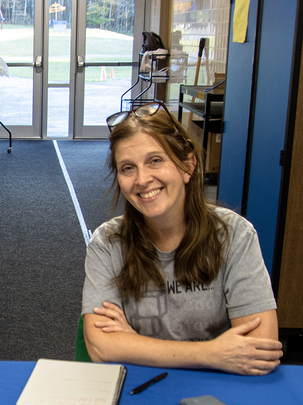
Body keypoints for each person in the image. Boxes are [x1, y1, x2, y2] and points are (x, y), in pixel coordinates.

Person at [81, 102, 282, 375]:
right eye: (128, 168)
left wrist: (133, 344)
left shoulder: (234, 235)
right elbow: (102, 347)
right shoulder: (107, 243)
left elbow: (261, 348)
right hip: (142, 390)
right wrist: (213, 353)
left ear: (188, 166)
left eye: (155, 160)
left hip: (218, 391)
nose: (142, 179)